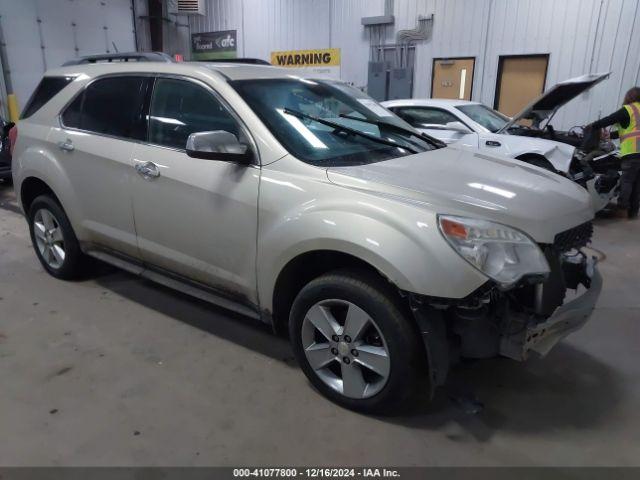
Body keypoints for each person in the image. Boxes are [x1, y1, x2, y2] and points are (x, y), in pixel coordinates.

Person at [587, 87, 640, 219]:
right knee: (638, 183)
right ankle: (633, 212)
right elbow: (631, 130)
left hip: (633, 152)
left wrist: (593, 126)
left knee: (626, 181)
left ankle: (622, 209)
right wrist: (611, 135)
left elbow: (609, 119)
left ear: (629, 97)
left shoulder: (628, 109)